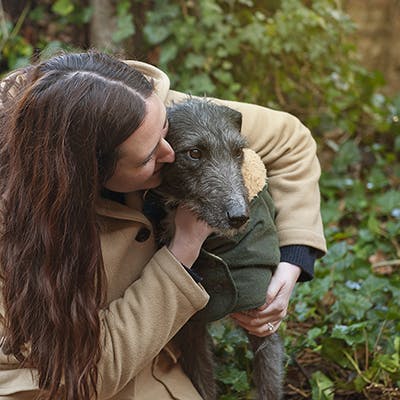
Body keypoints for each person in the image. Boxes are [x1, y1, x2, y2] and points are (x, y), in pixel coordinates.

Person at [0, 51, 326, 399]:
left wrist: (293, 259)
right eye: (148, 156)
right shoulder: (13, 231)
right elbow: (84, 374)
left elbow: (291, 140)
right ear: (89, 173)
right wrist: (182, 251)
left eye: (165, 131)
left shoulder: (141, 105)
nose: (170, 153)